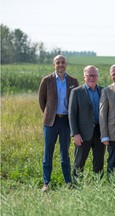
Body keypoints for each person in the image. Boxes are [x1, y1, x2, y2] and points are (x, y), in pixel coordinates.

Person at [38, 55, 79, 192]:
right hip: (51, 122)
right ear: (53, 65)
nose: (60, 65)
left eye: (62, 62)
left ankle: (68, 182)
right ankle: (46, 183)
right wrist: (49, 114)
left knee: (65, 153)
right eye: (58, 63)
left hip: (66, 122)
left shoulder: (73, 81)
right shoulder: (47, 80)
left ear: (66, 64)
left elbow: (76, 102)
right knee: (48, 152)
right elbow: (41, 100)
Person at [68, 65, 105, 178]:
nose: (92, 78)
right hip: (83, 133)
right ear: (84, 77)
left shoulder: (103, 91)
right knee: (79, 162)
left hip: (100, 132)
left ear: (97, 77)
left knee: (99, 162)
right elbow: (72, 114)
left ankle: (98, 186)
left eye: (94, 75)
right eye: (89, 75)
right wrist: (75, 134)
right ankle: (76, 187)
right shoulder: (76, 92)